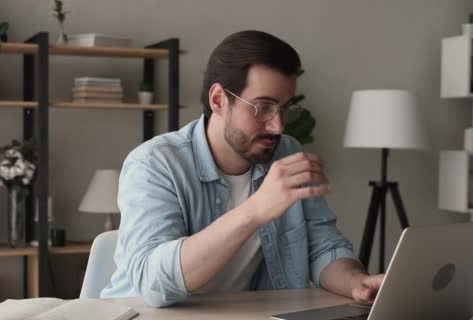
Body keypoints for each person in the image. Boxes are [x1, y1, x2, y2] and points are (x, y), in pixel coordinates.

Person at [100, 30, 383, 307]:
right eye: (262, 107)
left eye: (285, 108)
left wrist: (356, 283)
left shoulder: (287, 152)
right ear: (219, 100)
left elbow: (321, 247)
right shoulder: (154, 164)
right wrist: (255, 210)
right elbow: (153, 283)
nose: (278, 126)